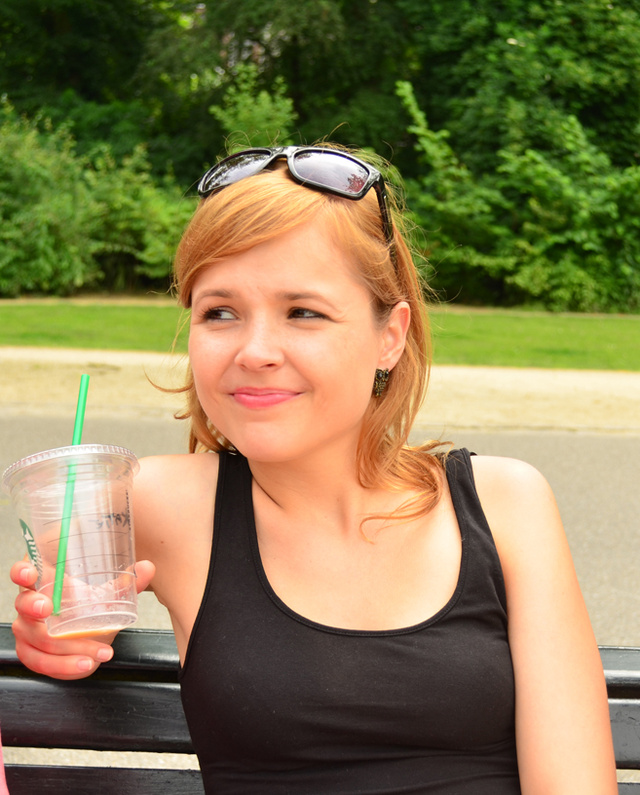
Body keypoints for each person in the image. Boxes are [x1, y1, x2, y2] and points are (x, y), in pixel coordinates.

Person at [11, 144, 617, 793]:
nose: (255, 351)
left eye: (303, 312)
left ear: (390, 336)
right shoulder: (158, 501)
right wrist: (59, 625)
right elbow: (63, 589)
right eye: (220, 312)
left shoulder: (505, 505)